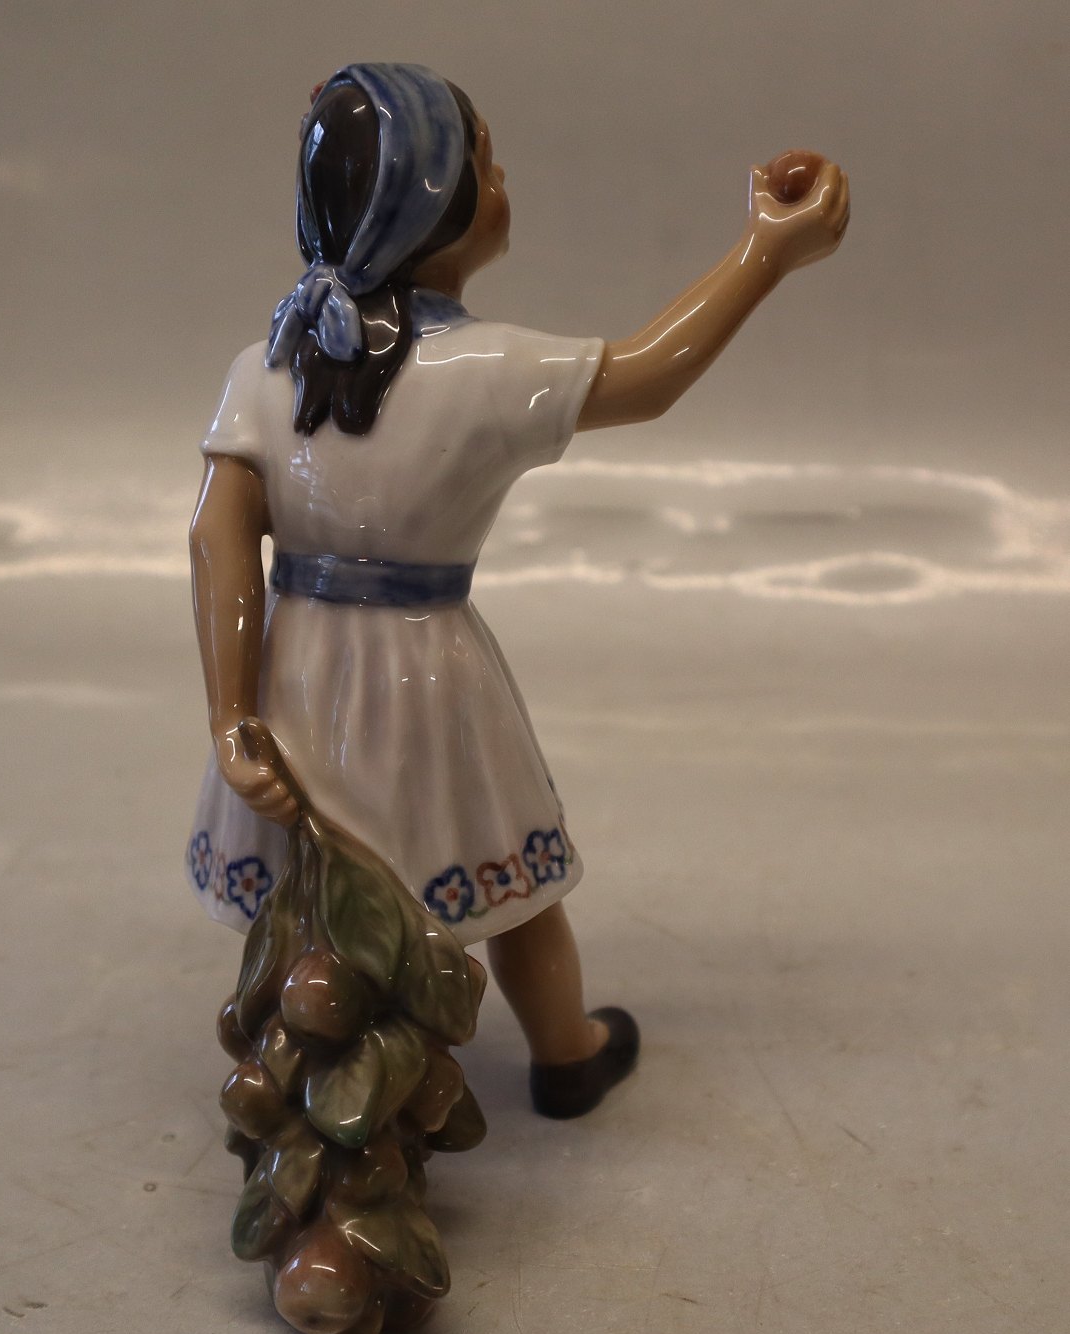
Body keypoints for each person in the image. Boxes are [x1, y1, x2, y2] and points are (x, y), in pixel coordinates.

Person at [187, 62, 849, 1118]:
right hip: (429, 671)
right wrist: (764, 252)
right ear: (432, 206)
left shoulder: (260, 369)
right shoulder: (486, 369)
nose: (502, 186)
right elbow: (649, 374)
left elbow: (217, 543)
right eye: (486, 167)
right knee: (507, 885)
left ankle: (303, 1069)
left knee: (308, 884)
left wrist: (232, 716)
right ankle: (564, 1052)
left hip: (295, 668)